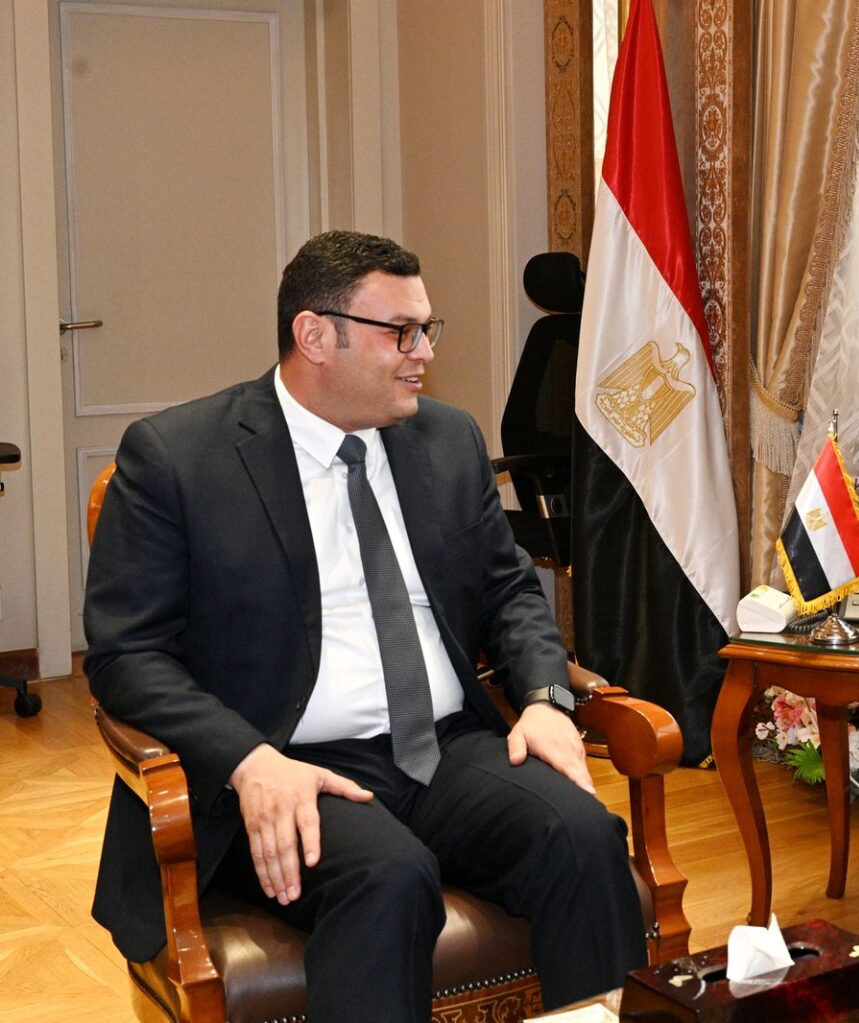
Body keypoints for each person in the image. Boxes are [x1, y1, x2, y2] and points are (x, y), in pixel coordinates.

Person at [86, 231, 645, 1020]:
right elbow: (127, 654)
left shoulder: (447, 439)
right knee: (388, 876)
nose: (424, 353)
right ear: (315, 335)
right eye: (402, 332)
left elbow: (510, 589)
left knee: (581, 834)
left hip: (445, 749)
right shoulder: (180, 458)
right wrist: (248, 759)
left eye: (427, 329)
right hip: (289, 759)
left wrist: (547, 699)